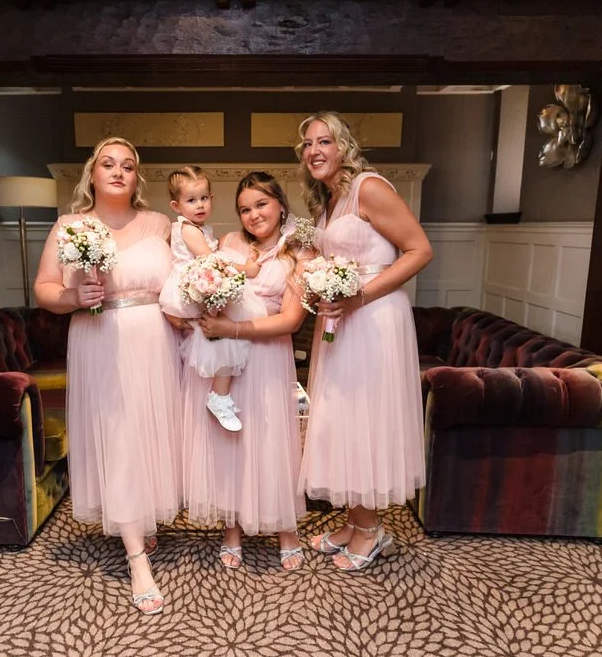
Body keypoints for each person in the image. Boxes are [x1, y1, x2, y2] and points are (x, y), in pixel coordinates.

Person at [33, 137, 181, 614]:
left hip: (156, 341)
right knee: (117, 436)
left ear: (138, 177)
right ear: (92, 174)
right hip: (99, 339)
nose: (119, 172)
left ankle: (139, 517)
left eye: (129, 166)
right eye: (108, 164)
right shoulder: (71, 225)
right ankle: (137, 558)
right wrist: (73, 298)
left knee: (149, 435)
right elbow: (44, 289)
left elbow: (184, 282)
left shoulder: (160, 224)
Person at [296, 111, 434, 571]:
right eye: (308, 144)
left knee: (367, 415)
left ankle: (373, 530)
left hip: (374, 318)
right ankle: (355, 524)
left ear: (343, 147)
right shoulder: (327, 201)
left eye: (324, 141)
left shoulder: (369, 188)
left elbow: (419, 250)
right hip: (341, 321)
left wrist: (358, 296)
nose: (314, 150)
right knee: (343, 418)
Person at [187, 171, 310, 571]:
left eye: (261, 204)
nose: (253, 214)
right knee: (230, 441)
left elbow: (291, 320)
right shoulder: (228, 244)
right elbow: (210, 291)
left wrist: (232, 327)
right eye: (244, 208)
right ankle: (232, 527)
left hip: (270, 353)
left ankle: (285, 526)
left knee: (274, 437)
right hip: (228, 357)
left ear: (279, 203)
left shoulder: (300, 252)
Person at [158, 165, 262, 432]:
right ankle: (219, 396)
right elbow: (212, 262)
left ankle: (220, 394)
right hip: (192, 287)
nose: (200, 205)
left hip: (200, 283)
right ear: (176, 205)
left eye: (204, 198)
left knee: (220, 337)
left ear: (212, 199)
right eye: (191, 200)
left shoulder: (200, 228)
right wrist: (247, 270)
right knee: (223, 338)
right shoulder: (190, 230)